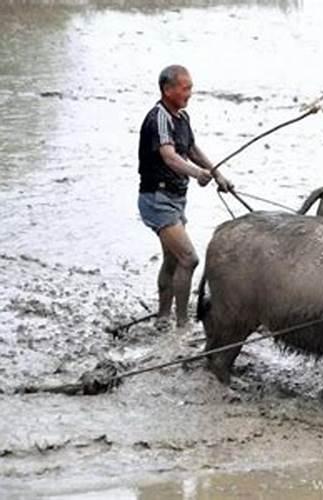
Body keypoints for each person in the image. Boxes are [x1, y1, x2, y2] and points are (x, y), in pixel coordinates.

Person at [137, 64, 232, 333]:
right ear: (168, 90)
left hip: (176, 199)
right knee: (188, 259)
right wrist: (197, 174)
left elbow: (190, 148)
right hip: (157, 199)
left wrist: (217, 175)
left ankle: (163, 318)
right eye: (185, 87)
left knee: (172, 259)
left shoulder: (182, 117)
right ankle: (181, 323)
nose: (190, 92)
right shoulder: (159, 118)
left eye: (190, 87)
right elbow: (168, 155)